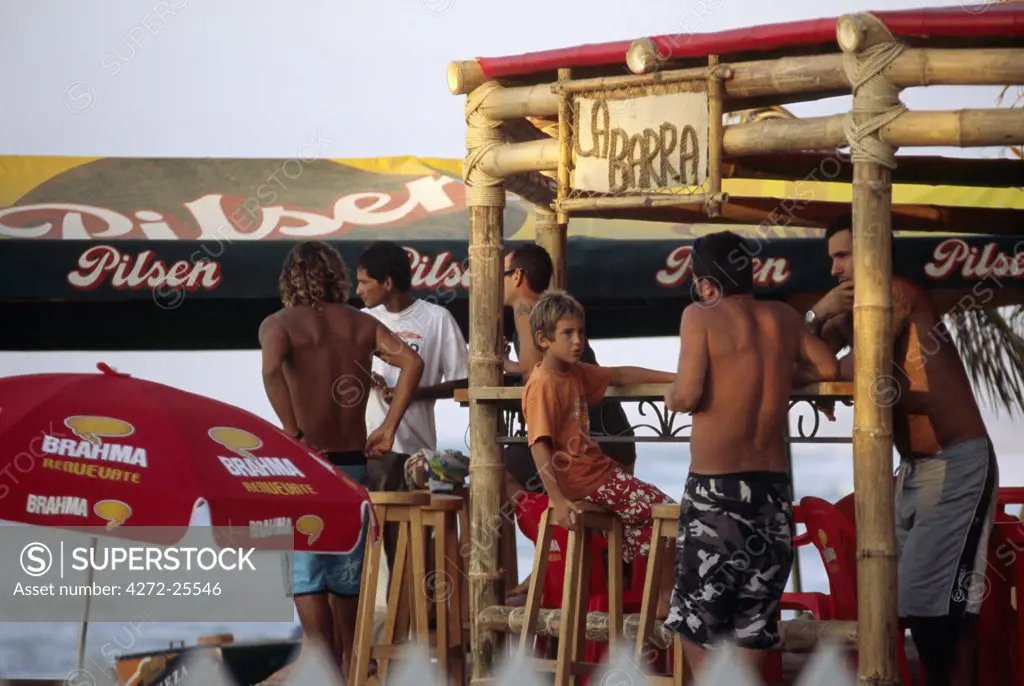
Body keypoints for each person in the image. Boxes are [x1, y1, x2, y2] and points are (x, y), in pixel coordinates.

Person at [806, 214, 998, 686]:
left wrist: (820, 341)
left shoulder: (894, 293)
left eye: (844, 256)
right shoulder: (850, 310)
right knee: (912, 603)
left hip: (957, 464)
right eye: (831, 258)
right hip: (912, 469)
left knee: (936, 611)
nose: (835, 269)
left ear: (875, 253)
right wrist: (818, 315)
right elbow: (804, 357)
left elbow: (852, 367)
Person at [661, 230, 840, 678]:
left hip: (716, 493)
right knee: (754, 622)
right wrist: (780, 365)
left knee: (695, 620)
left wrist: (670, 395)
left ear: (704, 283)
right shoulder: (784, 318)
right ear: (750, 272)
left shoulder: (699, 316)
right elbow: (829, 368)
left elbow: (686, 393)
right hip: (772, 494)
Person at [258, 241, 424, 678]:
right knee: (347, 575)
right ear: (338, 276)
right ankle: (353, 664)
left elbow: (272, 370)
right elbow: (411, 361)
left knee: (307, 574)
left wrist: (292, 432)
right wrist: (388, 426)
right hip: (352, 469)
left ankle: (322, 665)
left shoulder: (277, 325)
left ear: (290, 279)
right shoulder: (361, 324)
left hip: (305, 467)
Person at [521, 289, 677, 610]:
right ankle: (664, 601)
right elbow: (539, 446)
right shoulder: (543, 384)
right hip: (588, 480)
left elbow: (619, 374)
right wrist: (558, 500)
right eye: (568, 333)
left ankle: (652, 598)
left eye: (581, 332)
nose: (577, 341)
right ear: (543, 338)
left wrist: (674, 377)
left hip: (599, 474)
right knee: (673, 516)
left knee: (651, 528)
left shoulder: (573, 372)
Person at [355, 240, 469, 574]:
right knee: (369, 553)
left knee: (407, 551)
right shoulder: (361, 320)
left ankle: (411, 621)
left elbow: (464, 382)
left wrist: (413, 391)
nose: (358, 289)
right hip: (368, 448)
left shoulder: (437, 318)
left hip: (414, 454)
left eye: (364, 281)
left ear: (386, 283)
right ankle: (391, 621)